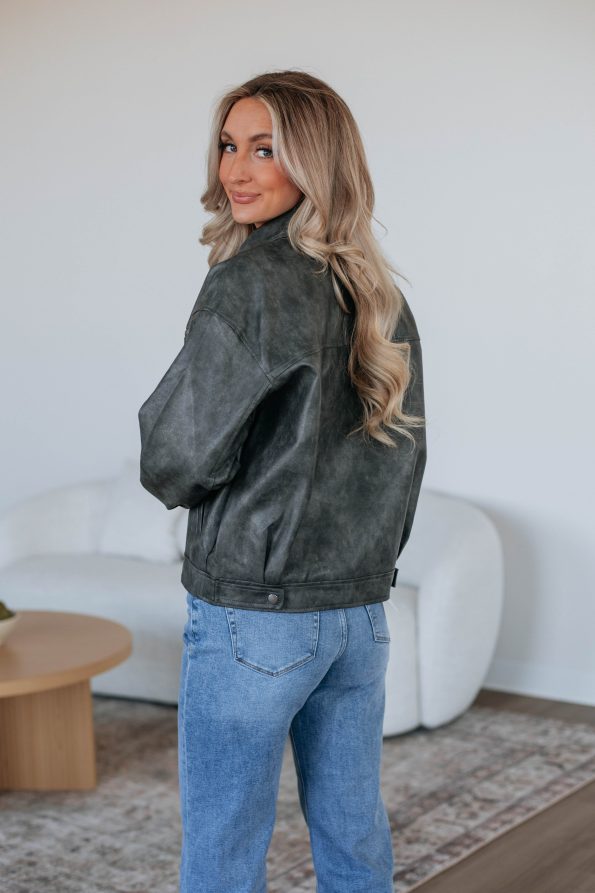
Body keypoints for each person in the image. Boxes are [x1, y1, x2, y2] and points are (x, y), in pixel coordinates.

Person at [138, 69, 427, 893]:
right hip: (357, 616)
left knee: (224, 847)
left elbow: (173, 456)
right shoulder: (377, 292)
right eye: (229, 146)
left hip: (255, 617)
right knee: (352, 832)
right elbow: (403, 457)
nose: (236, 169)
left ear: (314, 161)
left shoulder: (248, 284)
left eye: (264, 149)